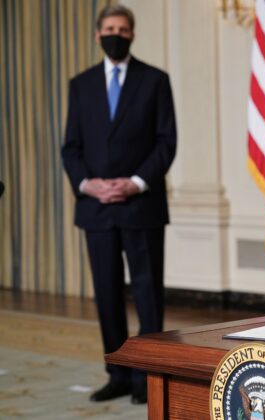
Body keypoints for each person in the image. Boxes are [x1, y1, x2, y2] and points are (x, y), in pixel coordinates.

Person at [61, 4, 176, 404]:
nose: (116, 33)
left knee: (147, 297)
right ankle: (118, 373)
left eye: (123, 29)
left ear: (132, 34)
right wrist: (89, 184)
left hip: (141, 206)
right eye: (109, 28)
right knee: (107, 295)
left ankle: (149, 377)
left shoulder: (155, 80)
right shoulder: (81, 85)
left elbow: (166, 142)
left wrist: (135, 183)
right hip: (97, 209)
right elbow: (71, 147)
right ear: (98, 35)